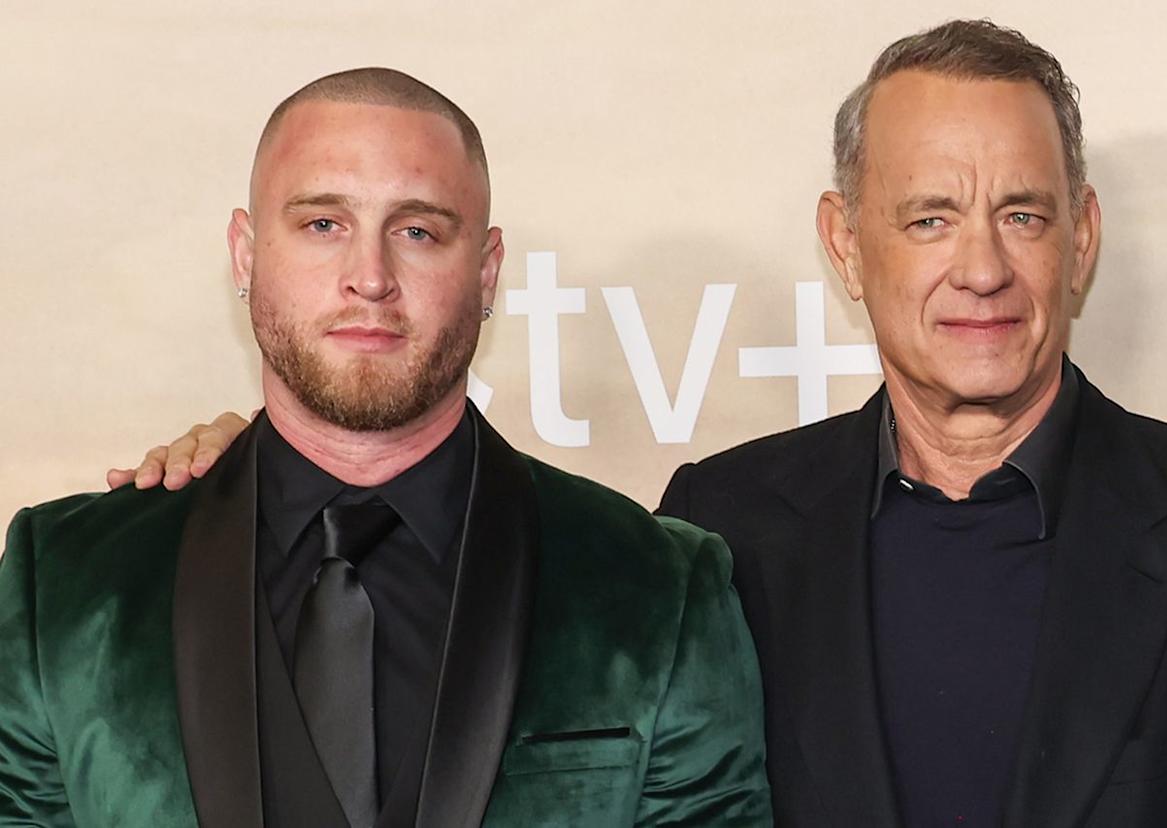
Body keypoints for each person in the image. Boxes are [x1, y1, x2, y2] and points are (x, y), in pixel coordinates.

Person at [109, 20, 1167, 827]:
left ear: (1081, 238)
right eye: (930, 217)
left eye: (1024, 214)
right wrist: (254, 481)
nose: (981, 268)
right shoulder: (720, 529)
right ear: (848, 245)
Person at [0, 68, 771, 826]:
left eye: (417, 231)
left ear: (487, 270)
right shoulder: (67, 580)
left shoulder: (659, 585)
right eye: (322, 224)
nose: (369, 278)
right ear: (244, 253)